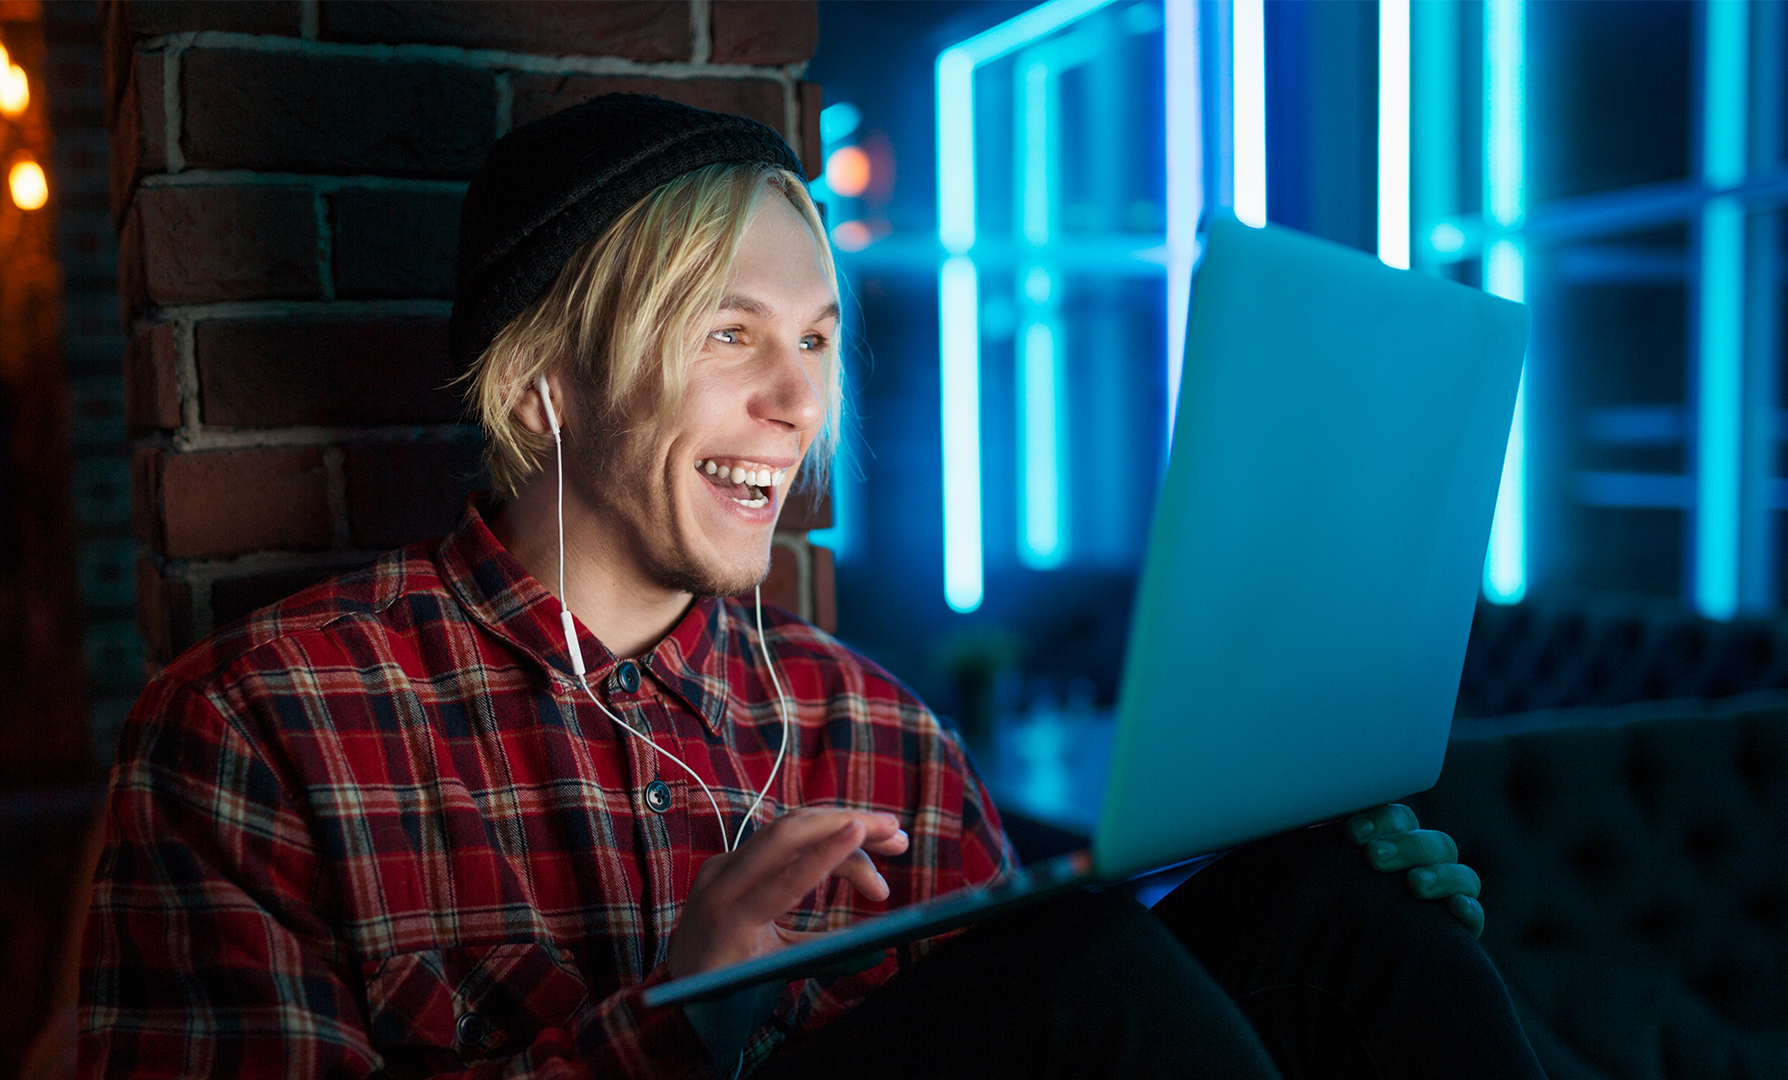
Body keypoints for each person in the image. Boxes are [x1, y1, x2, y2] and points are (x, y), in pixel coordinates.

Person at [80, 94, 1545, 1079]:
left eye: (823, 338)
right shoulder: (262, 727)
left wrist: (1281, 891)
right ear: (543, 394)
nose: (802, 400)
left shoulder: (876, 729)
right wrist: (676, 1024)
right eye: (730, 336)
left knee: (1345, 920)